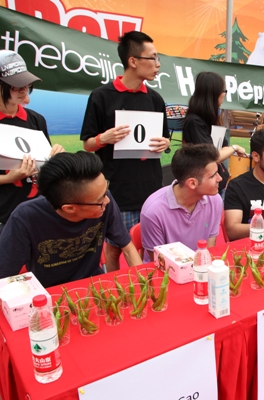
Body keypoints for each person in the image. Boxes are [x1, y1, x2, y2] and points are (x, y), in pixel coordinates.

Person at [0, 152, 142, 392]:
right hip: (47, 307)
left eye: (105, 190)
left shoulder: (102, 200)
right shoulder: (26, 217)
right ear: (69, 207)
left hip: (93, 297)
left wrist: (140, 289)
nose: (107, 202)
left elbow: (127, 246)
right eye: (99, 200)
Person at [80, 31, 170, 271]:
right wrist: (103, 138)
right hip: (117, 187)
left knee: (151, 244)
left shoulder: (155, 99)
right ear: (133, 61)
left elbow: (166, 139)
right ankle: (115, 286)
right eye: (153, 58)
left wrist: (165, 144)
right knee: (115, 245)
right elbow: (87, 144)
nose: (157, 65)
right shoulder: (101, 96)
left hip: (151, 186)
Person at [0, 50, 64, 254]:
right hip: (2, 217)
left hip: (39, 210)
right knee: (9, 279)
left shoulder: (35, 119)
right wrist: (10, 178)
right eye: (16, 86)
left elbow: (43, 165)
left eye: (27, 84)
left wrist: (55, 159)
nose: (24, 90)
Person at [140, 144, 223, 262]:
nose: (220, 178)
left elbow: (209, 249)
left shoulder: (215, 200)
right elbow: (159, 262)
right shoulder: (153, 211)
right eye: (213, 176)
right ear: (192, 183)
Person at [182, 71, 247, 197]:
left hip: (217, 185)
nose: (224, 95)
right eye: (224, 91)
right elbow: (213, 156)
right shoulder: (194, 122)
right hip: (202, 189)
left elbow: (222, 149)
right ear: (213, 93)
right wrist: (235, 148)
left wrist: (225, 151)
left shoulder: (210, 119)